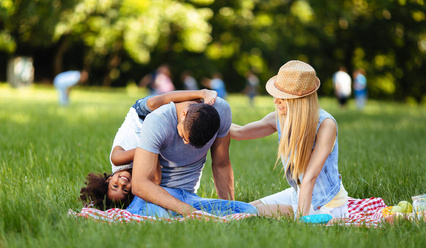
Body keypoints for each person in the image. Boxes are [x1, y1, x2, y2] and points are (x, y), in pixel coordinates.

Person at [230, 60, 349, 222]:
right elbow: (239, 132)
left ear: (300, 100)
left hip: (327, 205)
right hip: (298, 193)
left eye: (283, 97)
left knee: (252, 213)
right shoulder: (280, 118)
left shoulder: (326, 124)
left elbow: (310, 177)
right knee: (244, 209)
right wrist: (211, 117)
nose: (275, 101)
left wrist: (301, 218)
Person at [80, 89, 218, 210]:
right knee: (192, 126)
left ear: (108, 180)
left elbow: (145, 151)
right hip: (157, 127)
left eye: (115, 186)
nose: (122, 183)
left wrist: (150, 151)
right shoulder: (139, 173)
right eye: (126, 190)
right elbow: (157, 180)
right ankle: (228, 126)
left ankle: (202, 92)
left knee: (155, 103)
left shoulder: (117, 160)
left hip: (141, 116)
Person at [126, 91, 257, 218]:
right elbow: (140, 184)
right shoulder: (157, 120)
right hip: (157, 197)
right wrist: (190, 212)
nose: (185, 142)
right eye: (183, 135)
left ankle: (178, 216)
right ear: (184, 113)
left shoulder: (222, 111)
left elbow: (221, 164)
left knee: (248, 211)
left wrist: (230, 208)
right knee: (157, 216)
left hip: (189, 197)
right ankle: (176, 215)